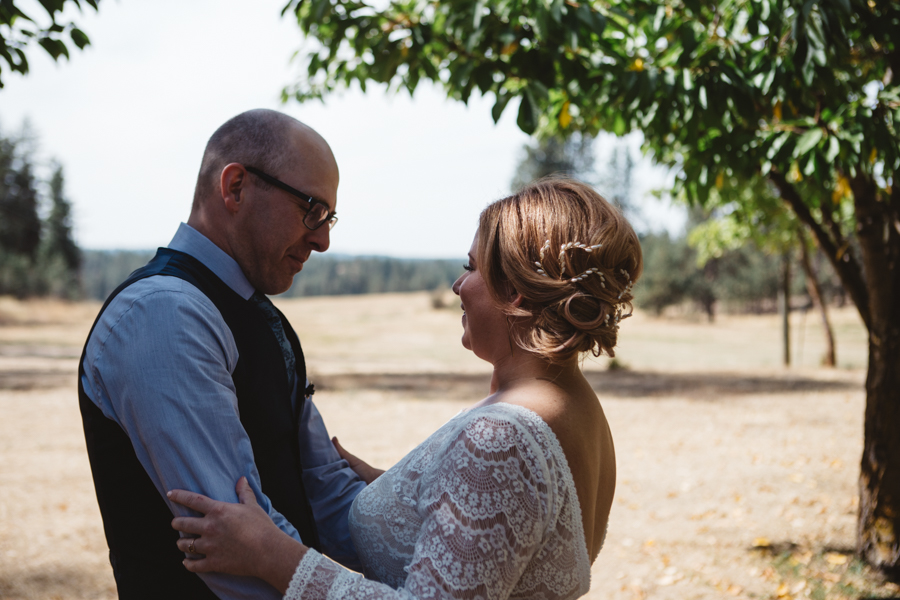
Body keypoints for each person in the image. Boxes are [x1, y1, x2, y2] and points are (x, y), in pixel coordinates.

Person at [168, 176, 643, 600]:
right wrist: (399, 490)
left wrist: (270, 555)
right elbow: (513, 540)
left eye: (472, 267)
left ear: (515, 291)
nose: (459, 285)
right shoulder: (578, 407)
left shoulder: (501, 442)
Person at [78, 109, 366, 599]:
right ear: (235, 187)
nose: (323, 239)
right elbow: (237, 561)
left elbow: (325, 493)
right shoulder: (164, 314)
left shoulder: (247, 310)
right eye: (312, 210)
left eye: (329, 217)